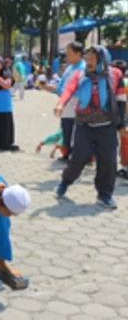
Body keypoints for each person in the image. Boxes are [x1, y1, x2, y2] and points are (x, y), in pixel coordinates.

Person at [53, 46, 126, 209]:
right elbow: (69, 90)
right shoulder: (80, 75)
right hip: (84, 126)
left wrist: (123, 125)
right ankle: (65, 181)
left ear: (103, 60)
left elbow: (121, 101)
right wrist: (60, 104)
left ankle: (105, 194)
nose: (89, 63)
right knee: (78, 158)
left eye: (93, 59)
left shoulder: (115, 75)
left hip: (107, 126)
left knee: (108, 162)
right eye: (87, 59)